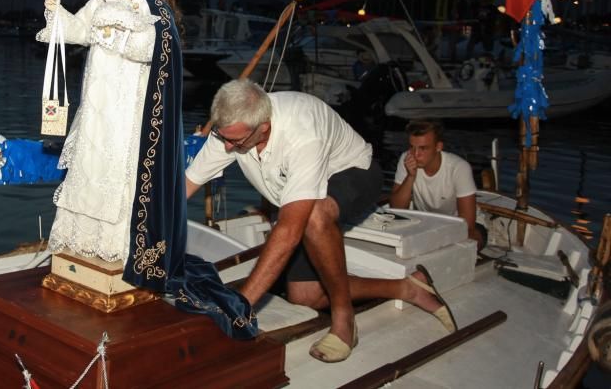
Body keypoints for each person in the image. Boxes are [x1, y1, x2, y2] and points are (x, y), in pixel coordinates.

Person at [38, 0, 254, 339]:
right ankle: (82, 249)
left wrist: (118, 37)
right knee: (90, 163)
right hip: (97, 101)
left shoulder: (149, 6)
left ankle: (118, 252)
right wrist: (58, 15)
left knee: (117, 169)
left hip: (127, 105)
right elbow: (78, 31)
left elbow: (154, 52)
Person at [186, 80, 458, 362]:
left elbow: (291, 228)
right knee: (306, 297)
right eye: (223, 137)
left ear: (263, 127)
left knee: (315, 216)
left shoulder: (302, 133)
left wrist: (239, 306)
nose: (227, 147)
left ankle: (344, 320)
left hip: (354, 173)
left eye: (235, 141)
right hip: (302, 194)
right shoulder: (230, 131)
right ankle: (407, 287)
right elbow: (184, 185)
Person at [389, 119, 484, 249]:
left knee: (471, 239)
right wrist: (410, 176)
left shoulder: (459, 168)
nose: (416, 154)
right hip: (424, 222)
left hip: (457, 224)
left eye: (423, 148)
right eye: (412, 147)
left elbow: (467, 224)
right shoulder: (406, 159)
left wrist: (435, 237)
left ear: (438, 147)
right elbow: (396, 208)